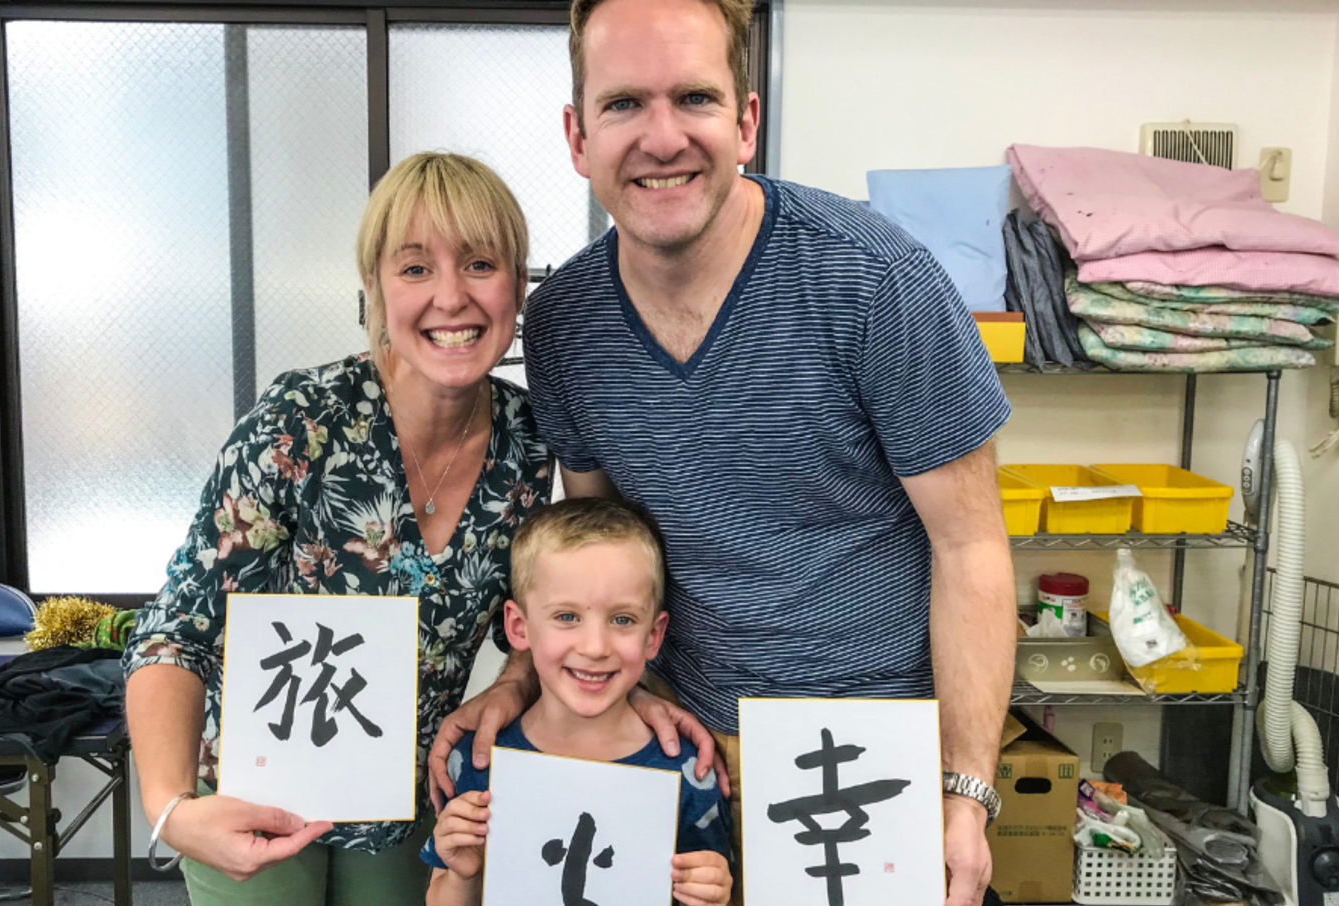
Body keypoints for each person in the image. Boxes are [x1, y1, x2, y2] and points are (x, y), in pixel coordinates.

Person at [429, 2, 1019, 905]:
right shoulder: (565, 324)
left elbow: (972, 548)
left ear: (744, 120)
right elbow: (598, 553)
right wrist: (534, 684)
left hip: (872, 754)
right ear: (577, 135)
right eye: (624, 104)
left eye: (693, 98)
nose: (662, 138)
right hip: (684, 757)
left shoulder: (873, 279)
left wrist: (966, 793)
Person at [122, 151, 551, 906]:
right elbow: (178, 627)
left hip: (410, 798)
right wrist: (169, 807)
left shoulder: (528, 444)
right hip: (258, 793)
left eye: (481, 263)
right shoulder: (305, 421)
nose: (451, 298)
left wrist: (513, 684)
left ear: (518, 285)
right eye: (415, 268)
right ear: (375, 287)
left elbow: (533, 618)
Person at [423, 497, 732, 906]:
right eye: (567, 616)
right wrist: (463, 876)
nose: (594, 646)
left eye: (622, 619)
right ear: (519, 627)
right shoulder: (477, 762)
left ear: (653, 636)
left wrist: (715, 896)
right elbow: (441, 896)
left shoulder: (690, 772)